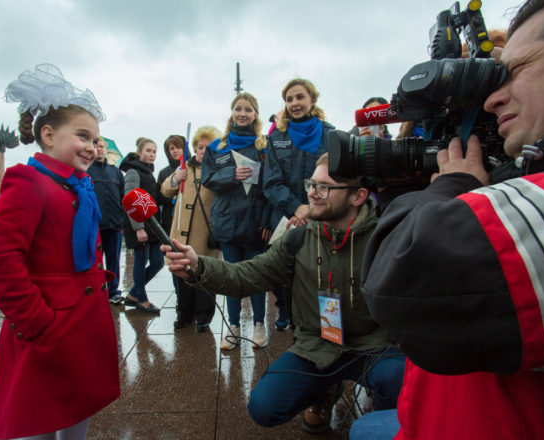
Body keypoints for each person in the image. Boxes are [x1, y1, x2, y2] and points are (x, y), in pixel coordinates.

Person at [352, 1, 544, 439]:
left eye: (519, 69)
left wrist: (452, 186)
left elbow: (400, 282)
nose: (493, 99)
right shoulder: (529, 177)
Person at [164, 153, 405, 435]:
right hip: (317, 344)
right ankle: (325, 391)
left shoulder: (387, 239)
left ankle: (384, 417)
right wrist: (199, 266)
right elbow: (246, 274)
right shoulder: (298, 239)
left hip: (372, 346)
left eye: (324, 187)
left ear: (358, 196)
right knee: (264, 407)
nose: (312, 194)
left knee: (398, 380)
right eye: (311, 185)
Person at [0, 64, 119, 440]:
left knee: (79, 407)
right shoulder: (29, 181)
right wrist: (36, 320)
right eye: (83, 136)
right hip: (49, 324)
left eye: (96, 139)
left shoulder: (79, 185)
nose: (92, 146)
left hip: (83, 323)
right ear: (48, 134)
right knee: (40, 415)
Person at [201, 92, 272, 349]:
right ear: (232, 112)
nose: (243, 114)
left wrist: (268, 221)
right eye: (238, 108)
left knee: (256, 277)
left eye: (248, 109)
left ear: (255, 114)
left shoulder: (264, 146)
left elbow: (271, 185)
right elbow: (207, 179)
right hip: (228, 223)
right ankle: (233, 325)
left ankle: (259, 324)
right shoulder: (216, 147)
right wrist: (232, 174)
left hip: (256, 223)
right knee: (231, 277)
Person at [263, 78, 335, 330]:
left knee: (326, 278)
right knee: (289, 279)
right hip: (288, 219)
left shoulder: (332, 135)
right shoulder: (276, 138)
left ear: (312, 100)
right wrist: (297, 207)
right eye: (289, 99)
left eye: (300, 97)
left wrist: (313, 208)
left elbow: (338, 177)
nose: (294, 103)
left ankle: (330, 332)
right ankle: (298, 333)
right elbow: (271, 182)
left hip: (324, 217)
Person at [161, 126, 222, 332]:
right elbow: (165, 190)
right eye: (200, 147)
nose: (203, 151)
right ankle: (184, 313)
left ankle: (204, 317)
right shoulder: (183, 167)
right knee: (181, 276)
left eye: (208, 147)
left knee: (204, 275)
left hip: (205, 233)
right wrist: (175, 179)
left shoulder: (218, 170)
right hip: (181, 233)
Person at [119, 137, 164, 314]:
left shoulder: (148, 171)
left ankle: (133, 294)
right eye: (148, 151)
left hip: (152, 225)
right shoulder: (133, 171)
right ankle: (142, 299)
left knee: (158, 262)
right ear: (139, 152)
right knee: (141, 261)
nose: (152, 154)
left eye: (154, 152)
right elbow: (129, 200)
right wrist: (138, 228)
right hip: (139, 225)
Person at [87, 136, 125, 304]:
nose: (99, 149)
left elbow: (124, 197)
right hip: (94, 225)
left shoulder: (116, 172)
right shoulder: (86, 171)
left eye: (102, 146)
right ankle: (95, 290)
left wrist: (122, 219)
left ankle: (113, 291)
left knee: (113, 260)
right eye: (96, 146)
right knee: (94, 261)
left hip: (114, 224)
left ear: (106, 149)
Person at [156, 135, 187, 237]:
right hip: (170, 219)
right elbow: (160, 196)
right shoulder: (163, 173)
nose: (175, 151)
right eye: (172, 148)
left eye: (178, 147)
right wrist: (175, 198)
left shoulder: (192, 168)